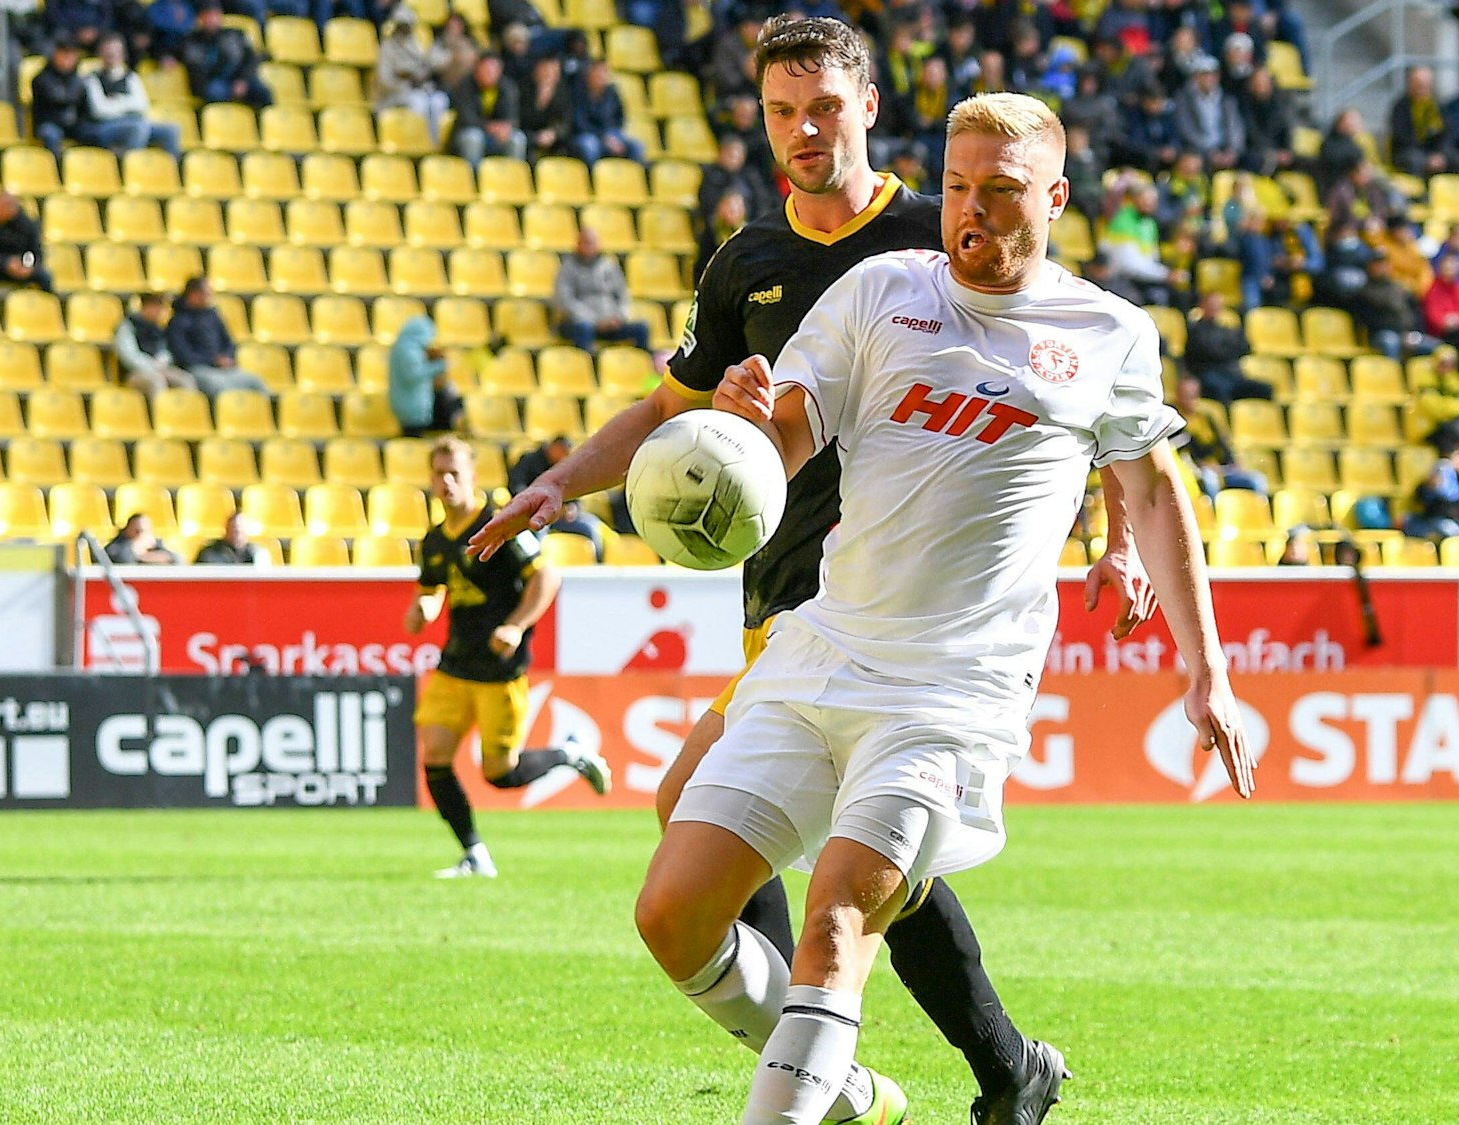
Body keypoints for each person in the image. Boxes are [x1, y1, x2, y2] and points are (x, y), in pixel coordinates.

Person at [470, 21, 1157, 1125]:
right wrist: (563, 482)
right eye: (781, 110)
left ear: (868, 107)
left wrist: (1117, 539)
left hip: (899, 606)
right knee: (822, 862)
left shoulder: (950, 226)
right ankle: (946, 1067)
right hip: (787, 601)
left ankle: (833, 1072)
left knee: (811, 861)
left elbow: (1087, 390)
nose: (802, 130)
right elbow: (669, 410)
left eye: (824, 108)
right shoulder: (748, 262)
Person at [631, 91, 1252, 1125]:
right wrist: (738, 444)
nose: (970, 211)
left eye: (1000, 193)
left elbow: (1151, 487)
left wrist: (1208, 675)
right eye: (957, 186)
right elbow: (790, 434)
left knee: (836, 920)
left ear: (1052, 199)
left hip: (952, 693)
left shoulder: (1104, 332)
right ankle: (845, 1088)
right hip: (819, 649)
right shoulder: (882, 291)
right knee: (670, 915)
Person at [405, 436, 611, 878]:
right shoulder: (435, 540)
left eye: (454, 473)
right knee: (435, 754)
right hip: (455, 665)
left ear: (472, 477)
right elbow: (430, 588)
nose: (446, 482)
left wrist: (516, 626)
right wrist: (423, 607)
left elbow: (546, 578)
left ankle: (569, 754)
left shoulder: (499, 523)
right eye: (438, 474)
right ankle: (474, 854)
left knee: (499, 774)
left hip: (498, 672)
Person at [167, 277, 270, 397]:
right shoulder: (178, 321)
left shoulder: (212, 315)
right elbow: (183, 355)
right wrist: (212, 361)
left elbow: (228, 342)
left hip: (222, 369)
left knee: (256, 383)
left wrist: (227, 357)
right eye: (207, 293)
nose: (211, 297)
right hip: (198, 369)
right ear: (194, 294)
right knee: (217, 387)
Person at [552, 227, 650, 351]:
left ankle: (642, 367)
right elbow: (565, 301)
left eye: (591, 242)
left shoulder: (609, 266)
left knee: (641, 328)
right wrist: (595, 320)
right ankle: (587, 367)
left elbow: (622, 295)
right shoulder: (567, 268)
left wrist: (619, 317)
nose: (588, 246)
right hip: (581, 323)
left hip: (611, 323)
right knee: (583, 328)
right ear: (577, 244)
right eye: (585, 242)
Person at [84, 39, 183, 156]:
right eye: (108, 53)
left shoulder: (131, 76)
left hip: (134, 121)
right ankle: (130, 166)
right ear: (100, 54)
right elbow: (100, 111)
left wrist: (116, 101)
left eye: (116, 52)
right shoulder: (92, 78)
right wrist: (127, 103)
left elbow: (142, 105)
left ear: (123, 55)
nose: (112, 56)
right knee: (138, 128)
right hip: (105, 126)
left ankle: (171, 169)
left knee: (171, 130)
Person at [373, 6, 447, 143]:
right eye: (402, 25)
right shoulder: (387, 47)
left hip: (418, 89)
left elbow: (430, 64)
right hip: (393, 94)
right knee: (419, 103)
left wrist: (421, 76)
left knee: (439, 100)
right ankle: (417, 141)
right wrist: (403, 79)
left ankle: (435, 143)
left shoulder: (416, 45)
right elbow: (384, 80)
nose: (405, 29)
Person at [183, 3, 272, 108]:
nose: (212, 19)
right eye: (208, 15)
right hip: (213, 81)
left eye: (215, 15)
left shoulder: (234, 34)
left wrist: (242, 80)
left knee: (263, 93)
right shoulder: (192, 40)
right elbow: (196, 71)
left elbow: (251, 58)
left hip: (238, 78)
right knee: (214, 93)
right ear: (200, 18)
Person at [446, 52, 525, 164]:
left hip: (496, 137)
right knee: (474, 138)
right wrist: (490, 127)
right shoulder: (464, 86)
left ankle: (512, 178)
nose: (490, 74)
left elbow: (512, 117)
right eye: (486, 70)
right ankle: (473, 178)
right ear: (477, 69)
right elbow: (466, 118)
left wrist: (506, 127)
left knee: (517, 138)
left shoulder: (507, 88)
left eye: (494, 71)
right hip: (466, 133)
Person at [113, 291, 198, 397]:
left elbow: (165, 350)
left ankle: (185, 413)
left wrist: (162, 362)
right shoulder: (128, 326)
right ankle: (159, 413)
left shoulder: (157, 328)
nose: (159, 311)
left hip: (159, 369)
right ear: (145, 306)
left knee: (186, 380)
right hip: (134, 373)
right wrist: (152, 367)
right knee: (156, 382)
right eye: (156, 306)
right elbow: (129, 356)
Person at [389, 315, 462, 436]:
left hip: (413, 407)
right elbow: (413, 375)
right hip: (410, 407)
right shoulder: (407, 350)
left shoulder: (407, 348)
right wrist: (438, 366)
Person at [0, 193, 55, 294]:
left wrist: (28, 266)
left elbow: (35, 252)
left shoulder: (26, 225)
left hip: (18, 266)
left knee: (45, 276)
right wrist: (5, 263)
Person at [572, 59, 641, 164]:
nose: (602, 75)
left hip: (609, 133)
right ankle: (594, 178)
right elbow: (579, 123)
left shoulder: (612, 92)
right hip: (587, 133)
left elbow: (620, 117)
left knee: (636, 146)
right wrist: (604, 137)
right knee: (590, 146)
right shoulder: (578, 93)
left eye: (605, 72)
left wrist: (613, 136)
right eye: (599, 72)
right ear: (589, 74)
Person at [29, 42, 91, 158]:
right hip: (49, 122)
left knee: (93, 133)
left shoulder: (77, 78)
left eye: (71, 55)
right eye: (64, 54)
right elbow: (56, 99)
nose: (67, 59)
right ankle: (57, 170)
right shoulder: (42, 78)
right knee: (50, 134)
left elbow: (84, 105)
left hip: (74, 124)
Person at [195, 510, 271, 564]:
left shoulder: (258, 554)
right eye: (233, 529)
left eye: (239, 530)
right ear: (226, 530)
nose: (236, 534)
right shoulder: (210, 554)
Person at [104, 513, 181, 564]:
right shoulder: (115, 547)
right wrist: (136, 549)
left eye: (144, 531)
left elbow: (177, 559)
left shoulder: (155, 545)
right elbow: (124, 560)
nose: (140, 535)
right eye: (137, 531)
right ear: (127, 529)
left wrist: (144, 556)